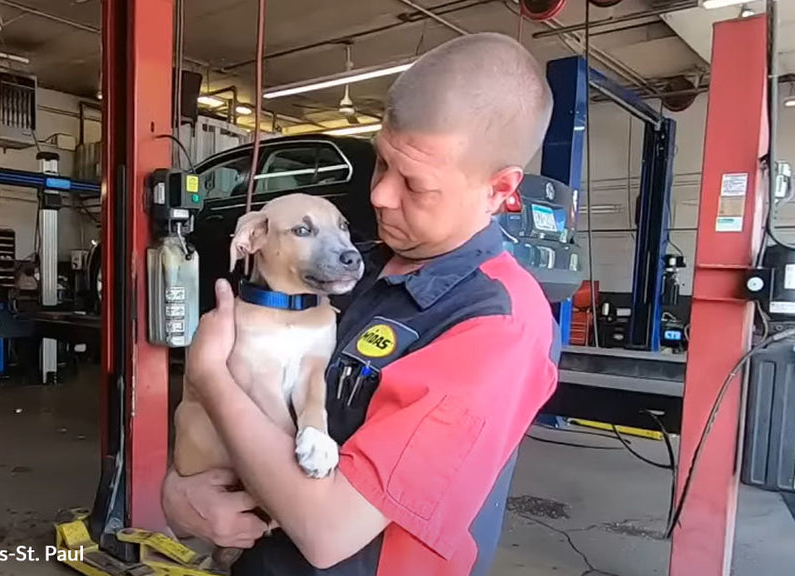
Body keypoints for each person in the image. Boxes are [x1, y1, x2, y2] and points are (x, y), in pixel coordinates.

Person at [163, 32, 559, 576]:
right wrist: (180, 495)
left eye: (414, 185)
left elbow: (328, 533)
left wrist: (209, 374)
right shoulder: (359, 269)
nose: (379, 196)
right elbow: (225, 432)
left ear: (499, 188)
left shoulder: (495, 326)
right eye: (380, 164)